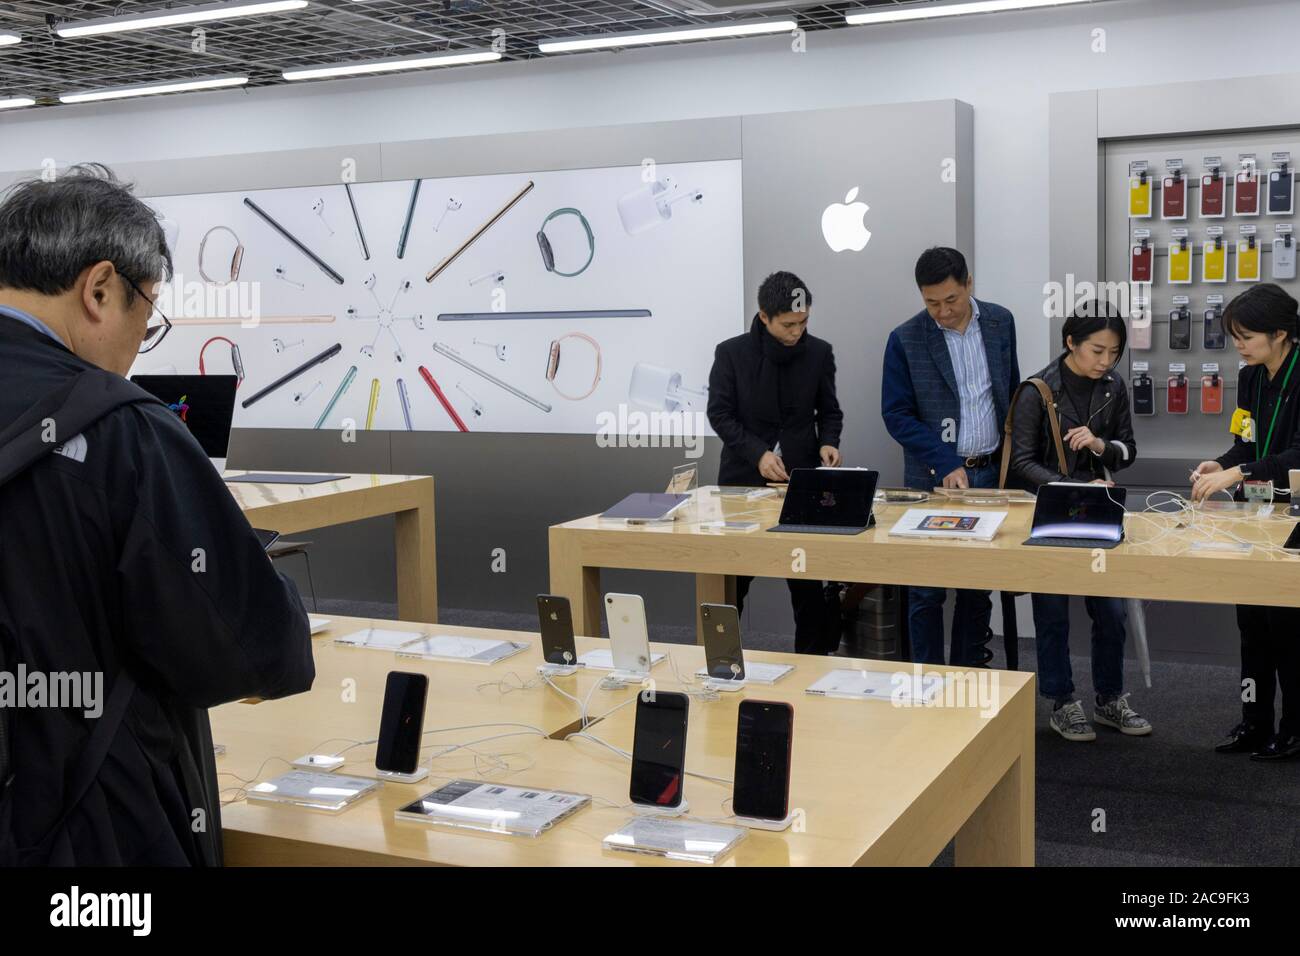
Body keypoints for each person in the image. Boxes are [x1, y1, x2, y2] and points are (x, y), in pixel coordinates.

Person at [0, 165, 315, 864]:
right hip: (84, 837)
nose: (142, 340)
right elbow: (252, 649)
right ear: (101, 287)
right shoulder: (124, 433)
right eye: (149, 312)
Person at [1007, 303, 1151, 741]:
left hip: (1099, 514)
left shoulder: (1113, 385)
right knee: (1052, 614)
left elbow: (1127, 452)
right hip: (1050, 516)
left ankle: (1110, 699)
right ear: (1070, 342)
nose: (1105, 361)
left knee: (1111, 613)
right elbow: (1021, 463)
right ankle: (1061, 702)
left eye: (1114, 352)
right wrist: (1068, 488)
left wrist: (1101, 445)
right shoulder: (1037, 389)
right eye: (1096, 350)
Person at [882, 247, 1019, 666]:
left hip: (989, 475)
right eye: (931, 303)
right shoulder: (905, 338)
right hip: (931, 483)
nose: (942, 311)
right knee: (926, 589)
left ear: (969, 284)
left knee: (977, 586)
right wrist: (943, 461)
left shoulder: (1000, 323)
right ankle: (925, 678)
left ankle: (968, 674)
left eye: (951, 300)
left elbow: (1010, 394)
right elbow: (897, 415)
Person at [707, 270, 843, 654]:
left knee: (808, 587)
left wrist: (829, 443)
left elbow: (829, 412)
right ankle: (722, 664)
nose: (797, 331)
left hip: (801, 484)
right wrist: (758, 453)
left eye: (803, 322)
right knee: (731, 585)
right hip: (741, 483)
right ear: (764, 317)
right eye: (788, 324)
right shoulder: (731, 353)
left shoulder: (819, 353)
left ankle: (813, 668)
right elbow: (720, 415)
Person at [1191, 283, 1300, 761]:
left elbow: (1297, 454)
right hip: (1254, 513)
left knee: (1289, 630)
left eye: (1247, 336)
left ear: (1280, 334)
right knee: (1251, 625)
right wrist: (1221, 464)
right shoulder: (1252, 377)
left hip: (1293, 514)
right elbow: (1245, 442)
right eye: (1234, 335)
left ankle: (1294, 730)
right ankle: (1253, 722)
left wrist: (1243, 470)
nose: (1239, 344)